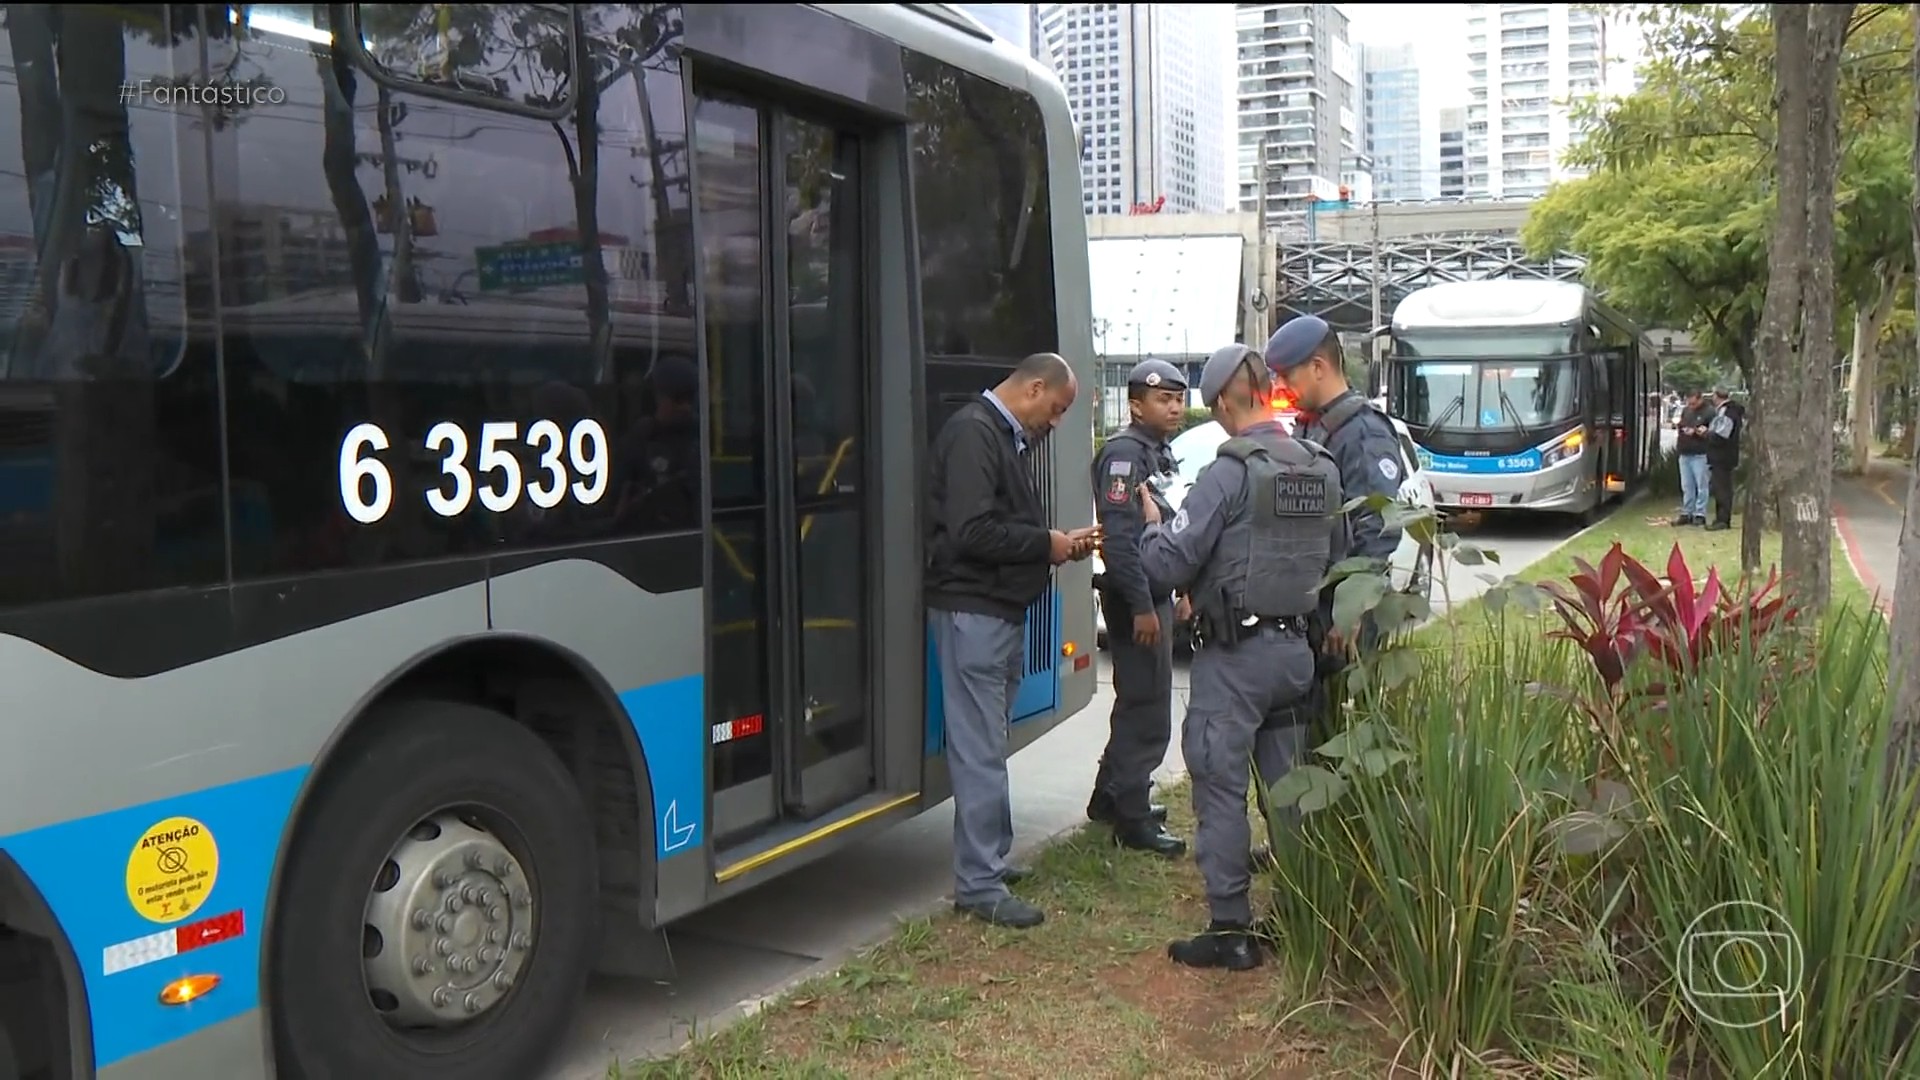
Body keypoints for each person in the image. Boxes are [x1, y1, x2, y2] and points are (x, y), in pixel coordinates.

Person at [1138, 343, 1347, 971]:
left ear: (1230, 399)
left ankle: (1230, 928)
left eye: (1214, 408)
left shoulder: (1230, 472)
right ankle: (1301, 913)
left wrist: (1152, 523)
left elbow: (1168, 560)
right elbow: (1339, 556)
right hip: (1296, 656)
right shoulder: (1321, 466)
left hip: (1235, 662)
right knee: (1289, 791)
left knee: (1220, 785)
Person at [926, 352, 1098, 929]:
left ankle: (988, 862)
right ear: (1033, 387)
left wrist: (1053, 543)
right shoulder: (975, 433)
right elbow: (971, 530)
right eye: (1056, 409)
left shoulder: (998, 436)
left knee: (988, 743)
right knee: (979, 749)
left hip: (995, 611)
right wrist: (1044, 545)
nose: (1055, 422)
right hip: (974, 611)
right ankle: (978, 883)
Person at [1085, 358, 1189, 858]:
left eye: (1178, 398)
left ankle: (1110, 796)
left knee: (1139, 699)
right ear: (1135, 405)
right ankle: (1131, 815)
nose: (1174, 407)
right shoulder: (1126, 456)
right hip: (1136, 600)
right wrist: (1145, 607)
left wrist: (1181, 586)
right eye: (1163, 399)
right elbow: (1121, 543)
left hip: (1155, 593)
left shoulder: (1157, 453)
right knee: (1147, 708)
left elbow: (1169, 529)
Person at [1705, 387, 1744, 532]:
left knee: (1722, 488)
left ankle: (1723, 519)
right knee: (1720, 487)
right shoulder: (1726, 410)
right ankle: (1720, 518)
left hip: (1722, 456)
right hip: (1723, 456)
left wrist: (1708, 435)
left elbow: (1723, 434)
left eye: (1713, 395)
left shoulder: (1727, 412)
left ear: (1717, 396)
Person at [1674, 389, 1715, 526]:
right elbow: (1681, 424)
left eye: (1693, 403)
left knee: (1701, 484)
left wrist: (1696, 432)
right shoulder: (1686, 411)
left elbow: (1711, 433)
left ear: (1700, 399)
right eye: (1689, 403)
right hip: (1685, 452)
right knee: (1687, 485)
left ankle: (1700, 513)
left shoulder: (1709, 412)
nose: (1690, 406)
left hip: (1700, 453)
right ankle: (1687, 512)